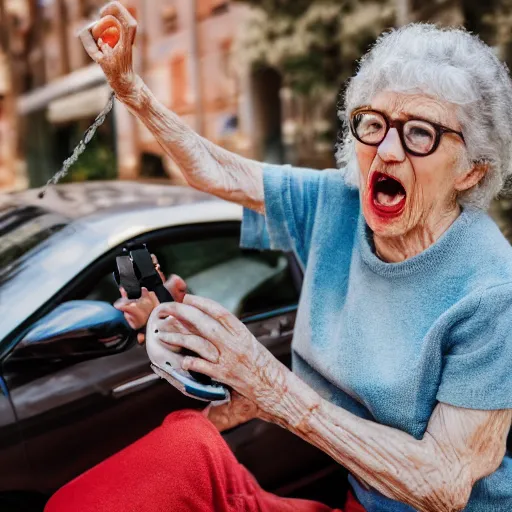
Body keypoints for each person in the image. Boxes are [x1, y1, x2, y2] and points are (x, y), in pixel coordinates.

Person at [45, 3, 512, 511]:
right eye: (374, 123)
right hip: (354, 501)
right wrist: (132, 90)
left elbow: (442, 485)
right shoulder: (339, 202)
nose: (388, 151)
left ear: (472, 172)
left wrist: (267, 384)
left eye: (421, 133)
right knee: (174, 457)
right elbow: (214, 170)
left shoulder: (492, 290)